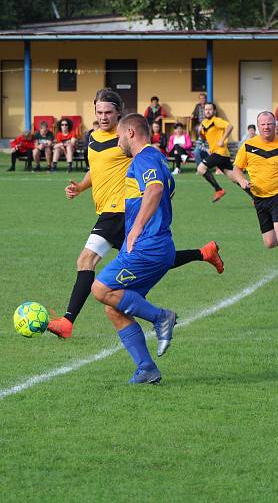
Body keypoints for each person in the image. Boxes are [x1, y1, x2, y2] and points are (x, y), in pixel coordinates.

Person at [46, 88, 224, 340]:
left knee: (85, 260)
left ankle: (68, 321)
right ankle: (204, 253)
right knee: (154, 258)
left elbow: (150, 167)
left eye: (109, 112)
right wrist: (81, 187)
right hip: (108, 210)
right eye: (99, 112)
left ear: (120, 113)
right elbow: (95, 169)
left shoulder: (127, 141)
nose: (104, 116)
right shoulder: (93, 137)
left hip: (119, 211)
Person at [91, 113, 179, 384]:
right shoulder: (158, 159)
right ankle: (146, 368)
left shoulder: (145, 158)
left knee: (100, 289)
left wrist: (138, 227)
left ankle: (160, 317)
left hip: (148, 245)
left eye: (119, 136)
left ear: (130, 132)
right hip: (158, 246)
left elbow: (154, 190)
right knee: (114, 307)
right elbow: (167, 189)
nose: (117, 143)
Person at [231, 111, 278, 287]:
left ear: (276, 125)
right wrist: (242, 180)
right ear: (258, 126)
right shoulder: (248, 145)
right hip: (259, 198)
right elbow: (236, 168)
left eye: (270, 123)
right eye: (263, 124)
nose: (266, 127)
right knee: (270, 242)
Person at [196, 102, 236, 202]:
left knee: (201, 168)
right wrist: (199, 132)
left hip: (220, 152)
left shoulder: (216, 121)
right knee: (234, 178)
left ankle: (219, 190)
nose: (208, 111)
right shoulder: (204, 123)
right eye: (206, 109)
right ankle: (255, 195)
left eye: (210, 109)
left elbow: (230, 126)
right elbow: (204, 138)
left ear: (214, 111)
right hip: (219, 153)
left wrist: (222, 139)